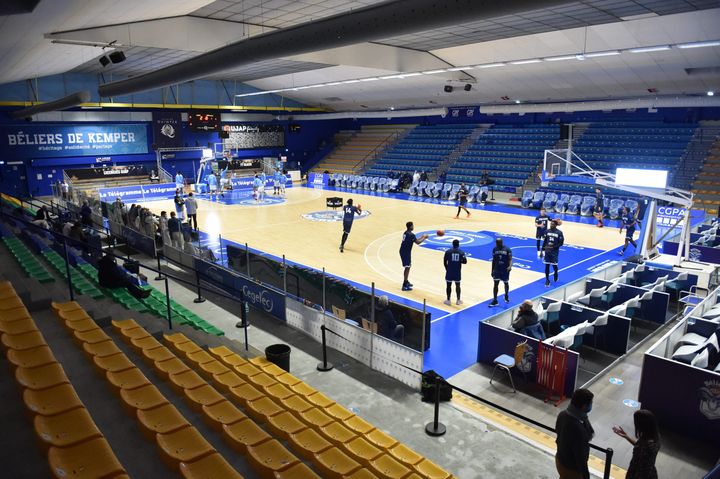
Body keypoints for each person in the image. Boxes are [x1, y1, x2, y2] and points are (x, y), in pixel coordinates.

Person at [555, 388, 595, 479]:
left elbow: (557, 431)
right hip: (571, 469)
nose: (592, 405)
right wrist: (586, 475)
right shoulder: (578, 430)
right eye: (591, 403)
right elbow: (580, 458)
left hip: (560, 459)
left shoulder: (562, 414)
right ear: (584, 406)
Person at [612, 409, 661, 479]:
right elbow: (640, 445)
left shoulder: (647, 447)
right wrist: (626, 436)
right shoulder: (655, 436)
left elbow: (643, 470)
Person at [399, 221, 428, 291]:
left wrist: (421, 236)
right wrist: (424, 238)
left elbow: (415, 240)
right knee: (407, 267)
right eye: (412, 225)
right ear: (410, 227)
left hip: (404, 251)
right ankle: (404, 285)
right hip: (405, 252)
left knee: (408, 266)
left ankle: (406, 281)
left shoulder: (406, 232)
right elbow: (418, 242)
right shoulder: (411, 235)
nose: (413, 226)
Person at [443, 239, 467, 305]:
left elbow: (444, 261)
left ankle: (448, 300)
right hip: (457, 271)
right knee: (458, 285)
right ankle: (458, 300)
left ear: (452, 244)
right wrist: (460, 261)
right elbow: (465, 262)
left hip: (449, 271)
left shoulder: (448, 251)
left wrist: (447, 269)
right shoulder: (461, 252)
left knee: (448, 285)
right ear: (458, 244)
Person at [490, 237, 512, 306]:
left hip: (505, 269)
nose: (498, 244)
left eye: (499, 242)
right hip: (497, 269)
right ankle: (495, 300)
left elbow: (510, 259)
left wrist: (510, 266)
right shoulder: (494, 249)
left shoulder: (507, 249)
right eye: (497, 242)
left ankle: (506, 295)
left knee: (506, 283)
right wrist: (492, 270)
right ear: (496, 243)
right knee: (495, 284)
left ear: (502, 242)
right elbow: (493, 260)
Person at [543, 219, 564, 287]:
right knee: (547, 266)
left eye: (552, 224)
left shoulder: (559, 233)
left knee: (554, 266)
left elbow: (561, 243)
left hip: (554, 252)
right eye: (550, 224)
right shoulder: (546, 231)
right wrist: (542, 250)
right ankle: (547, 280)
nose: (551, 225)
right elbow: (545, 241)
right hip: (547, 251)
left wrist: (554, 247)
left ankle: (556, 273)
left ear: (555, 225)